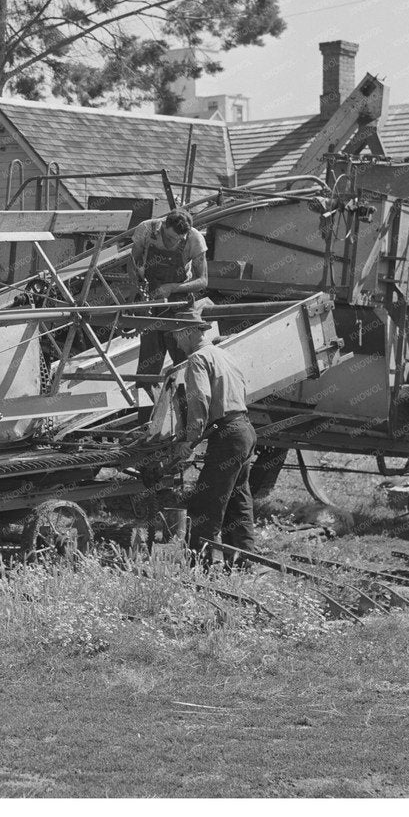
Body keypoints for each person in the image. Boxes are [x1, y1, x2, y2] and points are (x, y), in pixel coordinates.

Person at [174, 318, 257, 566]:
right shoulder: (224, 355)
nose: (176, 343)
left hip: (228, 436)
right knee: (238, 501)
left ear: (189, 332)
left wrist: (188, 441)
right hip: (244, 429)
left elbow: (199, 401)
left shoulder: (197, 359)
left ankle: (201, 567)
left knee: (205, 504)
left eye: (177, 336)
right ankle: (244, 562)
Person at [129, 208, 208, 388]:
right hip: (151, 299)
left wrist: (172, 287)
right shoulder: (146, 230)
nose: (176, 241)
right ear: (164, 225)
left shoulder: (195, 239)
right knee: (148, 366)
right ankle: (146, 409)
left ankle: (186, 403)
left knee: (185, 362)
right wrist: (138, 288)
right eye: (172, 238)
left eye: (180, 239)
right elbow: (132, 263)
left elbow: (203, 281)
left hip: (180, 303)